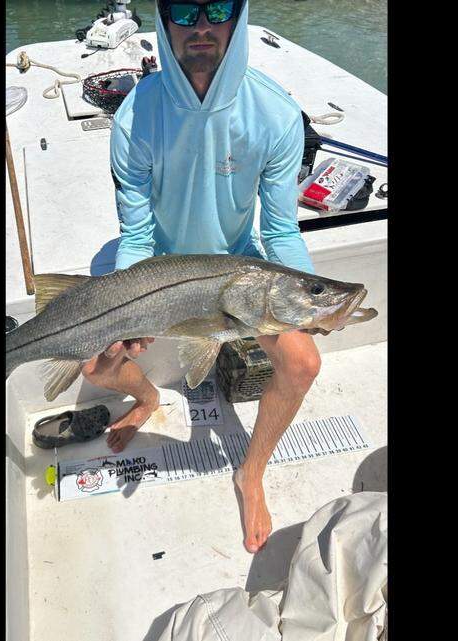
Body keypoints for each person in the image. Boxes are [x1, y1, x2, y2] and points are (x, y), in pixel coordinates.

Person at [83, 0, 320, 555]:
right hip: (157, 270)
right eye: (184, 11)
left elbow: (281, 231)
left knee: (303, 360)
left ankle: (251, 472)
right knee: (97, 364)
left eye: (216, 8)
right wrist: (133, 311)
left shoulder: (276, 115)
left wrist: (307, 298)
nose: (201, 27)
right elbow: (138, 237)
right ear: (163, 22)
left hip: (236, 267)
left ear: (238, 16)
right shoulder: (135, 116)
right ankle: (144, 400)